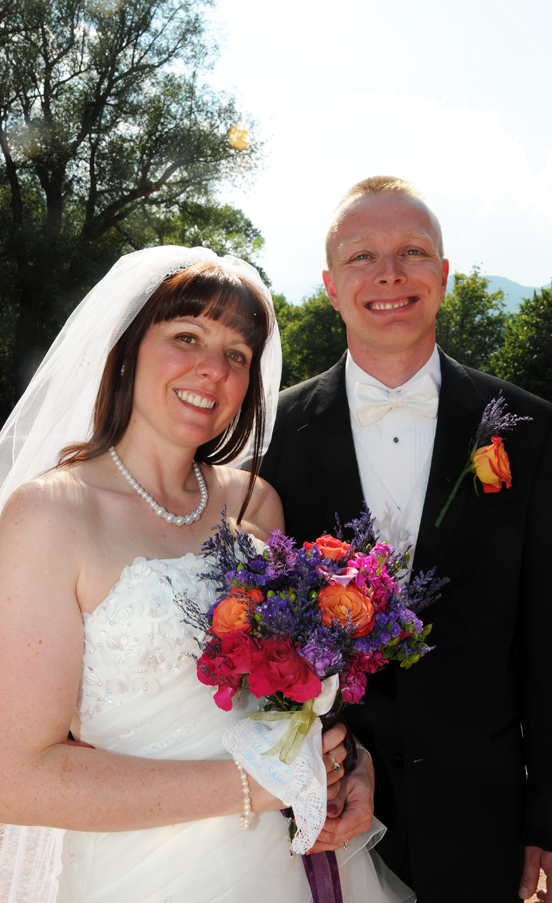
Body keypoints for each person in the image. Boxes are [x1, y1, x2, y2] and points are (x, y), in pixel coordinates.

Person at [0, 246, 413, 903]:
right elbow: (14, 778)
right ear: (128, 349)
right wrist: (256, 786)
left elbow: (287, 692)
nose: (212, 369)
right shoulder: (50, 515)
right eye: (186, 336)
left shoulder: (256, 502)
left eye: (238, 354)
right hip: (142, 876)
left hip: (288, 867)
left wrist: (343, 761)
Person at [260, 177, 552, 903]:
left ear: (443, 275)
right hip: (318, 818)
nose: (389, 273)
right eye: (362, 257)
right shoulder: (270, 436)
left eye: (413, 252)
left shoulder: (526, 431)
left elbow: (547, 640)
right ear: (329, 285)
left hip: (480, 819)